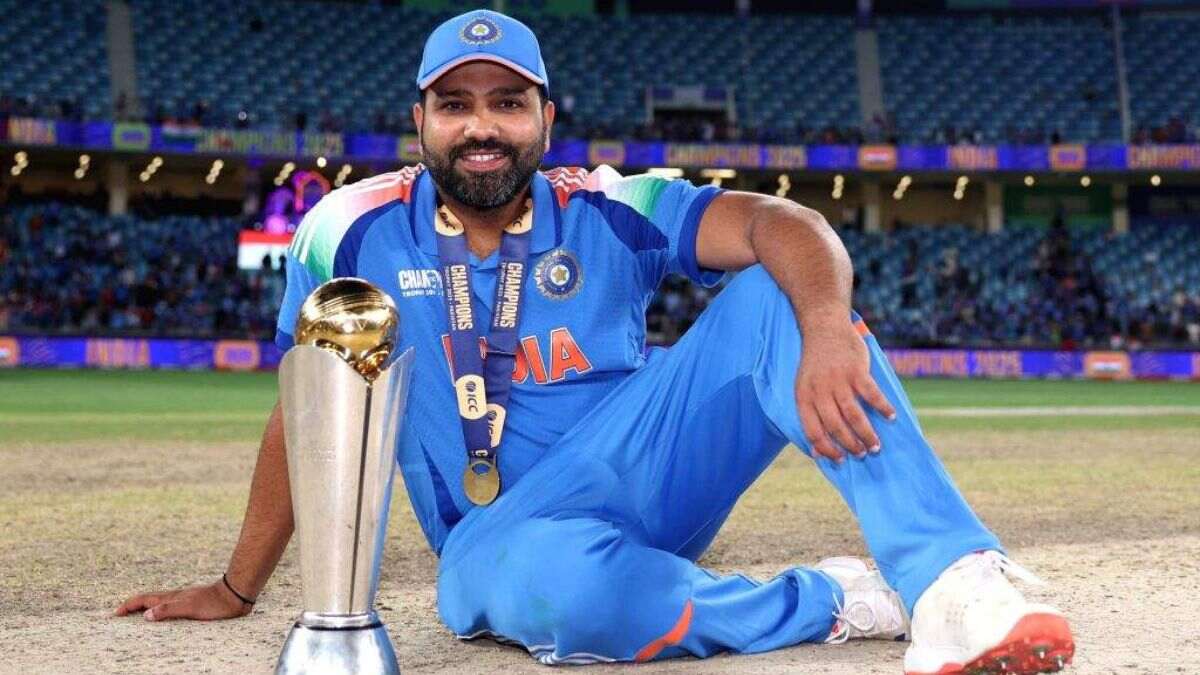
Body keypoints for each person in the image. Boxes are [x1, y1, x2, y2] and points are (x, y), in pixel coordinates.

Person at [116, 10, 1074, 674]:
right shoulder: (346, 231)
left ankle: (953, 580)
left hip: (644, 473)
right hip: (496, 536)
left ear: (546, 118)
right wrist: (239, 586)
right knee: (576, 599)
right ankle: (830, 599)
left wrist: (824, 325)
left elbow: (783, 223)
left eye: (507, 103)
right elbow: (310, 416)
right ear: (419, 122)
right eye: (455, 105)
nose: (481, 127)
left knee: (777, 296)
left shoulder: (612, 204)